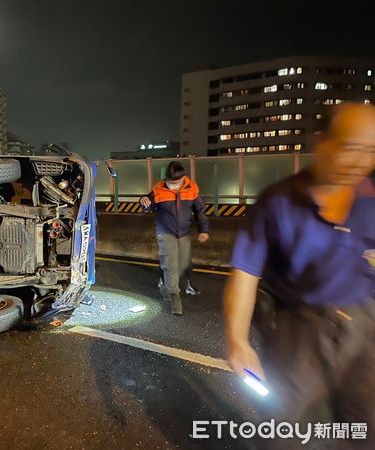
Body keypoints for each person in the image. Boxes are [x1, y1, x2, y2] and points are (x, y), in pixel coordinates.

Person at [224, 103, 375, 445]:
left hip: (366, 329)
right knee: (287, 431)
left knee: (365, 427)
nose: (362, 161)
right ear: (320, 141)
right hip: (298, 331)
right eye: (351, 147)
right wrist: (237, 339)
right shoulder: (276, 203)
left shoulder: (371, 199)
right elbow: (245, 273)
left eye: (372, 150)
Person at [140, 162, 209, 315]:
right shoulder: (159, 189)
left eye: (175, 182)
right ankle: (174, 297)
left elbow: (200, 211)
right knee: (170, 263)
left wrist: (203, 229)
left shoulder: (192, 189)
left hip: (184, 233)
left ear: (183, 178)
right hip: (165, 232)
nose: (172, 185)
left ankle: (166, 287)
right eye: (170, 182)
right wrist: (143, 202)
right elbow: (147, 205)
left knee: (183, 263)